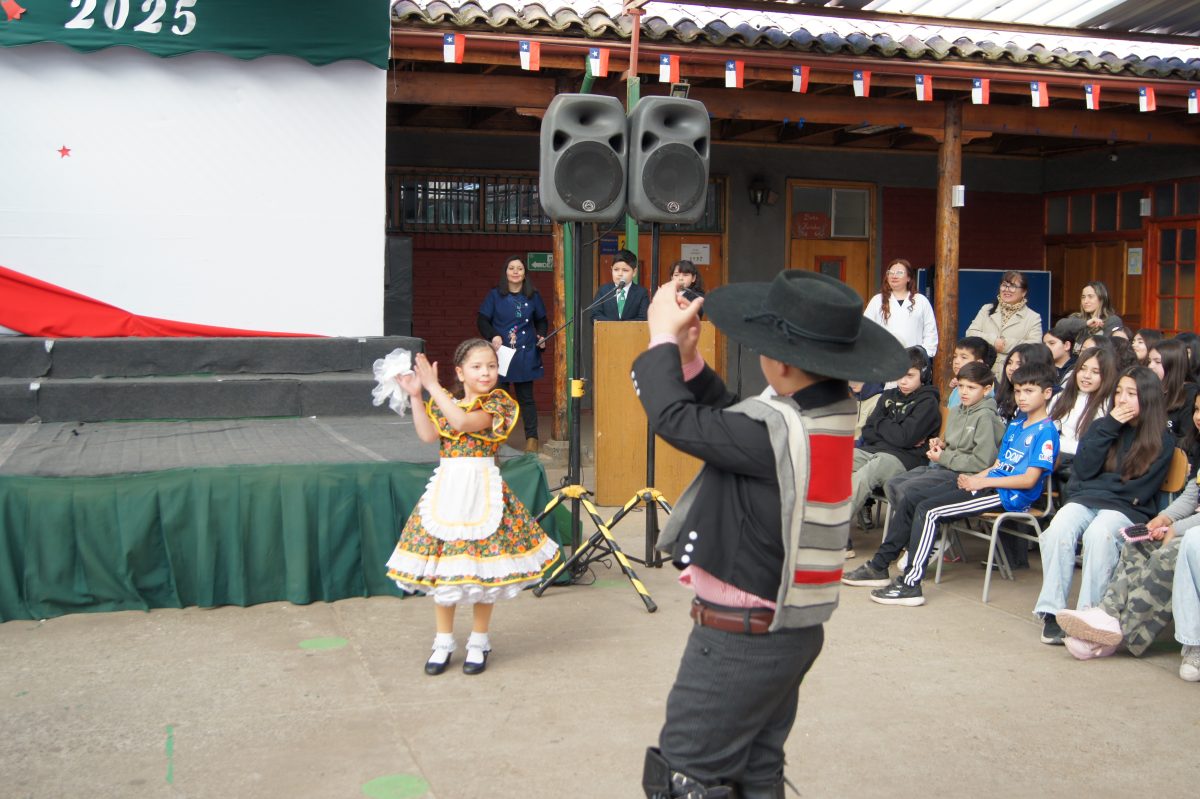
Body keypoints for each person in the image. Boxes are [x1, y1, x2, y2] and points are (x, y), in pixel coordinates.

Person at [633, 270, 908, 799]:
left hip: (742, 638)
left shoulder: (774, 433)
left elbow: (677, 419)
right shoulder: (825, 411)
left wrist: (662, 339)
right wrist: (688, 361)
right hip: (785, 632)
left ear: (779, 363)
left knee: (685, 775)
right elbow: (736, 415)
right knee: (756, 769)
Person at [384, 339, 560, 676]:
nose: (486, 373)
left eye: (491, 366)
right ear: (461, 372)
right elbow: (427, 435)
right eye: (477, 367)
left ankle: (478, 641)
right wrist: (417, 395)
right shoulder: (445, 401)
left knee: (483, 570)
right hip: (448, 489)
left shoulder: (500, 404)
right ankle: (443, 641)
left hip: (482, 488)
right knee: (445, 569)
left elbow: (463, 424)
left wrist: (433, 387)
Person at [859, 362, 1059, 606]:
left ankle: (911, 584)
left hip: (1008, 494)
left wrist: (981, 479)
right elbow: (998, 463)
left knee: (929, 511)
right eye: (1018, 391)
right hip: (987, 483)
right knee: (913, 498)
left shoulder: (1046, 431)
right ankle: (879, 565)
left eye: (1029, 391)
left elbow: (1029, 479)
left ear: (1047, 393)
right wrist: (978, 478)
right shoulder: (1017, 425)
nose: (1021, 397)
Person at [1055, 393, 1200, 679]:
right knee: (1139, 543)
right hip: (1190, 525)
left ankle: (1115, 635)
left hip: (1193, 532)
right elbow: (1193, 493)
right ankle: (1106, 616)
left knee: (1169, 555)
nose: (1198, 416)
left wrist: (1176, 529)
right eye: (1196, 409)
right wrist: (1163, 519)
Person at [1034, 366, 1174, 646]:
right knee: (1060, 525)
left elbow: (1140, 489)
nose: (1121, 399)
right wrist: (1109, 427)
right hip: (1087, 499)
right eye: (1119, 392)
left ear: (1147, 399)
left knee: (1100, 533)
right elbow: (1084, 471)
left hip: (1126, 509)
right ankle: (1050, 611)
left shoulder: (1161, 438)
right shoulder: (1101, 427)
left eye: (1131, 394)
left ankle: (1089, 614)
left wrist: (1101, 484)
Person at [842, 362, 1005, 594]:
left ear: (987, 389)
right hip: (946, 468)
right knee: (895, 484)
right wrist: (940, 444)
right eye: (962, 386)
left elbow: (982, 462)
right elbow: (949, 442)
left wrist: (944, 456)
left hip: (965, 477)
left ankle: (921, 544)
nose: (965, 392)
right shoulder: (959, 410)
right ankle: (914, 541)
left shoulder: (986, 417)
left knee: (912, 495)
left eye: (971, 387)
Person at [848, 347, 941, 552]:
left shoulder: (928, 402)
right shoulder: (888, 395)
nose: (903, 381)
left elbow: (905, 438)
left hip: (907, 460)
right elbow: (869, 431)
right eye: (899, 375)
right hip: (878, 451)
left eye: (910, 375)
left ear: (924, 374)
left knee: (867, 473)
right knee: (837, 460)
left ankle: (831, 532)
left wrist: (883, 425)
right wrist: (893, 432)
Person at [477, 255, 549, 452]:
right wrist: (493, 336)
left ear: (525, 273)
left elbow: (542, 319)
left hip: (525, 353)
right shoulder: (494, 296)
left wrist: (541, 336)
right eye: (512, 268)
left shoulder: (533, 296)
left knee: (526, 398)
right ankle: (498, 438)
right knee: (500, 397)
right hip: (501, 354)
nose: (516, 271)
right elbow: (482, 320)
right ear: (506, 273)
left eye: (519, 268)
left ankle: (532, 440)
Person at [1047, 346, 1118, 499]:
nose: (1086, 376)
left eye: (1095, 372)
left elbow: (1089, 448)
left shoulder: (1107, 405)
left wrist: (1056, 444)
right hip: (1050, 458)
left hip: (1076, 465)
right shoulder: (1060, 397)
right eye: (1083, 369)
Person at [965, 270, 1044, 379]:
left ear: (1024, 292)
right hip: (983, 373)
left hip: (1013, 375)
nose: (1007, 290)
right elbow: (970, 333)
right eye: (1004, 285)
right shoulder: (986, 309)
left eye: (1013, 286)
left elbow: (1034, 347)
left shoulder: (1033, 317)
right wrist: (993, 341)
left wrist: (1005, 345)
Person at [862, 258, 938, 357]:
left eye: (899, 272)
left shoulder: (921, 301)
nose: (894, 276)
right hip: (884, 359)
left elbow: (930, 331)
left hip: (914, 360)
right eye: (891, 272)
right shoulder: (877, 300)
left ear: (908, 278)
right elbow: (866, 329)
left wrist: (924, 354)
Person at [1148, 339, 1200, 444]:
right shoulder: (1150, 390)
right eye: (1149, 361)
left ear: (1173, 364)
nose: (1150, 366)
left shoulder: (1190, 394)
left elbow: (1187, 440)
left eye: (1157, 362)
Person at [994, 343, 1055, 423]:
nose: (1012, 368)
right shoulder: (1003, 392)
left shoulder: (1035, 402)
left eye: (1019, 364)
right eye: (1009, 363)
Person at [592, 249, 649, 322]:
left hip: (631, 333)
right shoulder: (603, 291)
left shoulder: (641, 293)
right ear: (611, 269)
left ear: (634, 272)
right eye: (616, 270)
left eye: (625, 270)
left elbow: (643, 318)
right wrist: (614, 326)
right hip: (608, 332)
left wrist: (621, 327)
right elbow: (595, 315)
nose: (620, 274)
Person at [945, 336, 996, 409]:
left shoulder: (983, 392)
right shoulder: (957, 389)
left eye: (964, 357)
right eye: (955, 356)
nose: (956, 361)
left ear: (979, 363)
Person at [1043, 317, 1085, 387]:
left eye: (1052, 343)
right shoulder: (1041, 368)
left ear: (1066, 345)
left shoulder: (1079, 367)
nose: (1046, 347)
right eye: (1044, 344)